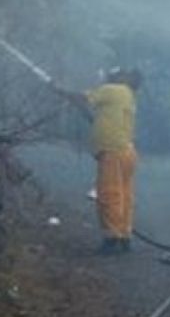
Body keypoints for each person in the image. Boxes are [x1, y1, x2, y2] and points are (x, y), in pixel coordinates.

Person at [54, 67, 143, 254]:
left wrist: (59, 89)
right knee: (124, 195)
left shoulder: (113, 89)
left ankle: (112, 238)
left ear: (124, 78)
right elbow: (97, 112)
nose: (111, 75)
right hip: (127, 151)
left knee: (109, 194)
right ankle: (124, 236)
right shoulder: (127, 94)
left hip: (113, 151)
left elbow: (82, 98)